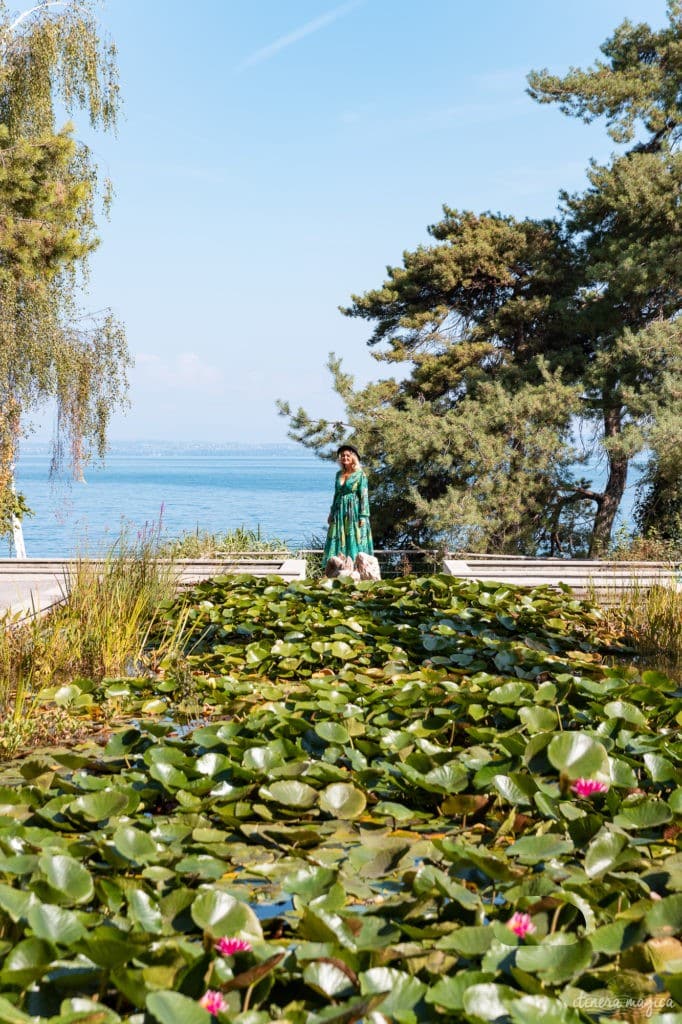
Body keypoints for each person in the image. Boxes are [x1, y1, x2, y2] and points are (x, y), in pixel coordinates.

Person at [323, 444, 374, 564]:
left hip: (354, 512)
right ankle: (336, 567)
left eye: (347, 455)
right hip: (339, 512)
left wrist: (363, 516)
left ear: (353, 457)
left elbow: (364, 496)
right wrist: (331, 513)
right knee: (336, 537)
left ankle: (356, 567)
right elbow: (336, 495)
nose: (345, 458)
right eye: (342, 456)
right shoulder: (338, 474)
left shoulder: (360, 474)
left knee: (354, 538)